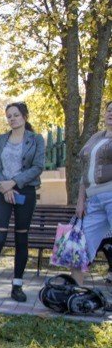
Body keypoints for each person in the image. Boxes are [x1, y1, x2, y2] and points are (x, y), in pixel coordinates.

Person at [0, 102, 44, 301]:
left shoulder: (36, 139)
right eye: (9, 116)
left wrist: (14, 183)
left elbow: (38, 166)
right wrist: (3, 186)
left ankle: (17, 286)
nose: (12, 119)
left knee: (21, 239)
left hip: (25, 191)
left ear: (24, 116)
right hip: (1, 192)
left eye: (16, 115)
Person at [72, 101, 112, 285]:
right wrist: (81, 200)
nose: (110, 113)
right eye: (109, 110)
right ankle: (76, 291)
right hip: (93, 200)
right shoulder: (97, 137)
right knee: (80, 246)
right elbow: (85, 170)